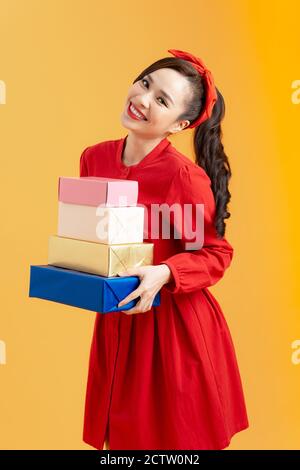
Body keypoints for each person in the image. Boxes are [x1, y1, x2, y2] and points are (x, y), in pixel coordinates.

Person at [80, 49, 249, 450]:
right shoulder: (94, 157)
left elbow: (215, 253)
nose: (142, 99)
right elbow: (90, 235)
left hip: (173, 330)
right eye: (144, 83)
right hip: (119, 317)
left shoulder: (182, 177)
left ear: (180, 124)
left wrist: (165, 272)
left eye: (161, 100)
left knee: (171, 444)